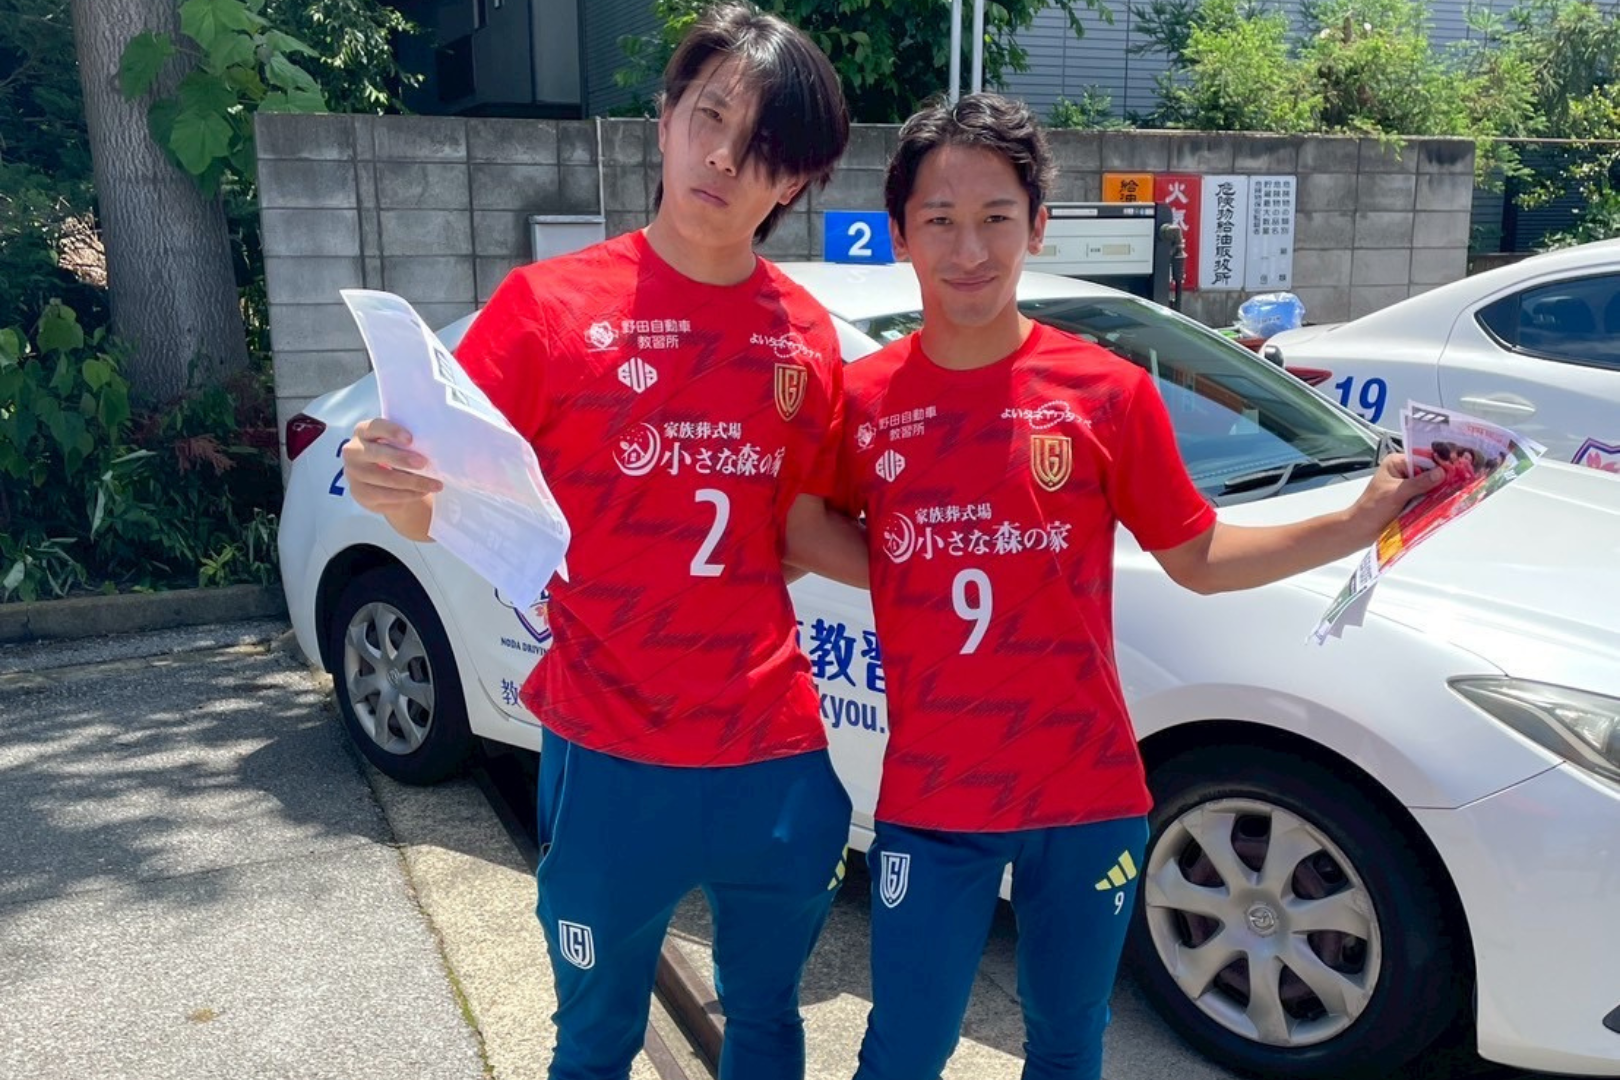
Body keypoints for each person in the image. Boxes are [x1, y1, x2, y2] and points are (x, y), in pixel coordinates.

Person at [834, 93, 1444, 1080]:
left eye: (996, 217)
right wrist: (904, 562)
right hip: (932, 796)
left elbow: (1198, 557)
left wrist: (1353, 523)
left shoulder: (1106, 391)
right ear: (900, 233)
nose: (969, 249)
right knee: (904, 1047)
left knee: (1068, 1042)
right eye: (939, 220)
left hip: (1087, 795)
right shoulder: (862, 401)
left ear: (1037, 226)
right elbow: (797, 524)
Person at [341, 6, 867, 1078]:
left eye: (762, 146)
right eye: (709, 116)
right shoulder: (548, 308)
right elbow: (447, 491)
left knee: (769, 1023)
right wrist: (385, 481)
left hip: (773, 749)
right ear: (664, 119)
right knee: (593, 1040)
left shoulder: (805, 339)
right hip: (611, 745)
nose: (723, 158)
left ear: (795, 183)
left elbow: (797, 523)